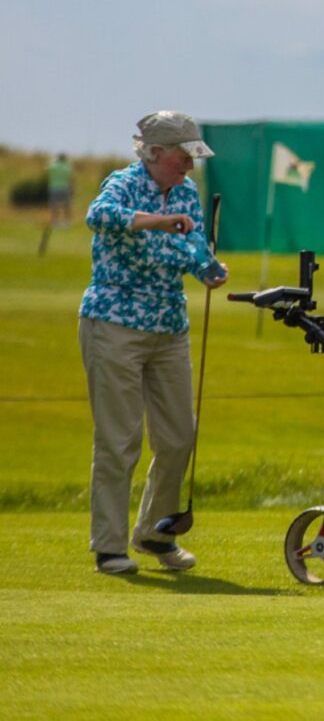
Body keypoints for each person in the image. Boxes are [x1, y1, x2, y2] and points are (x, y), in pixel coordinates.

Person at [79, 112, 227, 575]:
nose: (189, 167)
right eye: (183, 157)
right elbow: (98, 216)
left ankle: (155, 533)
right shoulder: (122, 183)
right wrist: (159, 221)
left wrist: (209, 269)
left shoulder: (185, 191)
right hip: (114, 324)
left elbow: (195, 246)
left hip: (170, 327)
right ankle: (109, 547)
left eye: (192, 158)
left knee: (180, 436)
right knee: (120, 439)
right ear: (155, 152)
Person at [47, 153, 73, 228]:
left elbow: (47, 169)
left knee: (54, 206)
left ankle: (55, 222)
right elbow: (71, 179)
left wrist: (53, 160)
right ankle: (67, 222)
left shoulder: (53, 166)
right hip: (65, 188)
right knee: (66, 206)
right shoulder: (67, 167)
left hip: (54, 188)